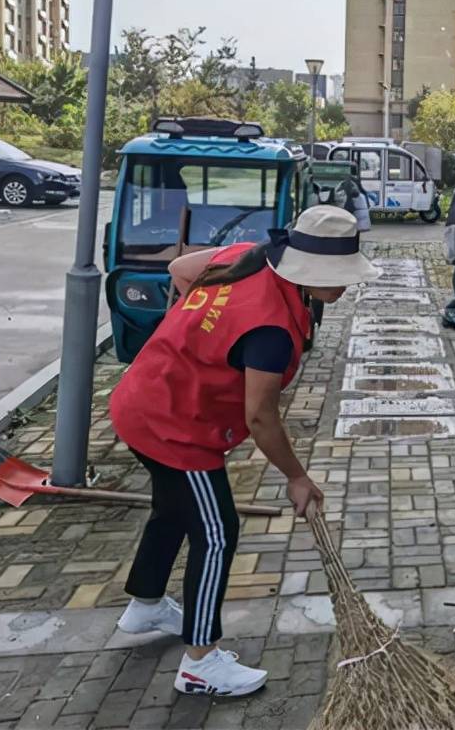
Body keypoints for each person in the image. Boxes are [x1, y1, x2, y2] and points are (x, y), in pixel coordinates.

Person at [109, 205, 379, 697]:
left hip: (142, 400)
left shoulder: (245, 257)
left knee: (172, 510)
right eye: (337, 276)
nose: (345, 286)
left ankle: (146, 604)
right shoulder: (270, 331)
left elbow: (180, 269)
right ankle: (200, 661)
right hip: (175, 427)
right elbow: (260, 416)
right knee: (216, 533)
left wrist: (198, 338)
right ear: (307, 271)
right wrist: (297, 476)